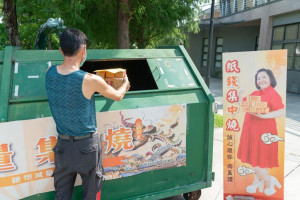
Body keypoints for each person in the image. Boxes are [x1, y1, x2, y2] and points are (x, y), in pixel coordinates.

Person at [46, 28, 130, 200]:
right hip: (87, 147)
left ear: (61, 50)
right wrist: (125, 84)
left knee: (61, 196)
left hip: (62, 147)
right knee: (91, 194)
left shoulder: (50, 74)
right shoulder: (90, 80)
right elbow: (118, 96)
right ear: (83, 49)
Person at [237, 68, 284, 196]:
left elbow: (281, 111)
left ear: (270, 78)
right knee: (253, 158)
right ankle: (257, 180)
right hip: (251, 131)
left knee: (258, 160)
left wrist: (263, 116)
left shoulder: (273, 94)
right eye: (258, 78)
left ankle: (269, 181)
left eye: (264, 77)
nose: (261, 80)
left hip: (263, 131)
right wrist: (240, 94)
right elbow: (244, 105)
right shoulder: (255, 93)